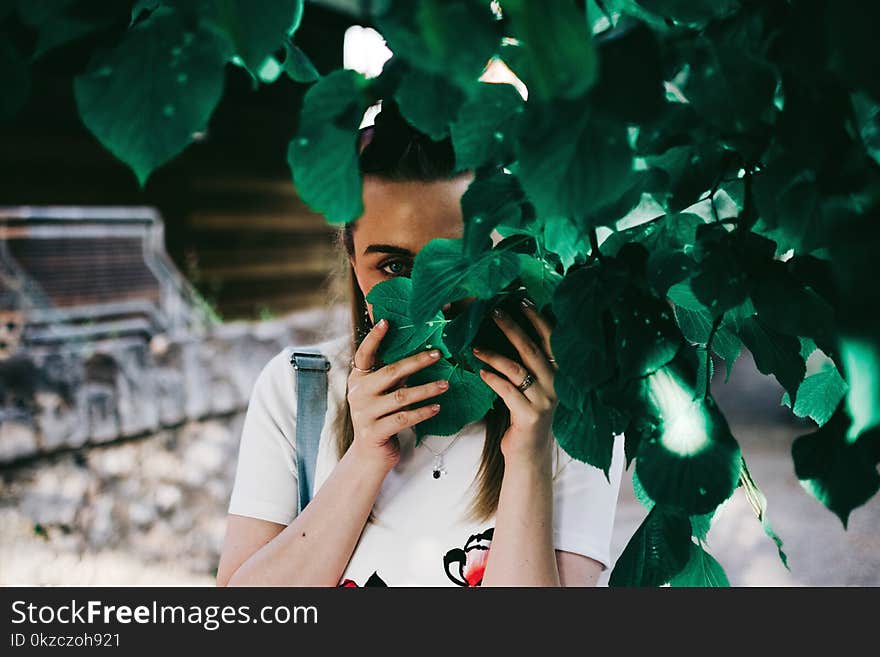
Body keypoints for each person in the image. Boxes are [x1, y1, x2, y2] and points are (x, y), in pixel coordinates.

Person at [216, 99, 624, 587]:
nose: (432, 302)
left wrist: (529, 456)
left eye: (458, 264)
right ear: (352, 261)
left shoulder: (572, 411)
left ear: (505, 253)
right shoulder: (300, 390)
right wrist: (365, 457)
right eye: (393, 267)